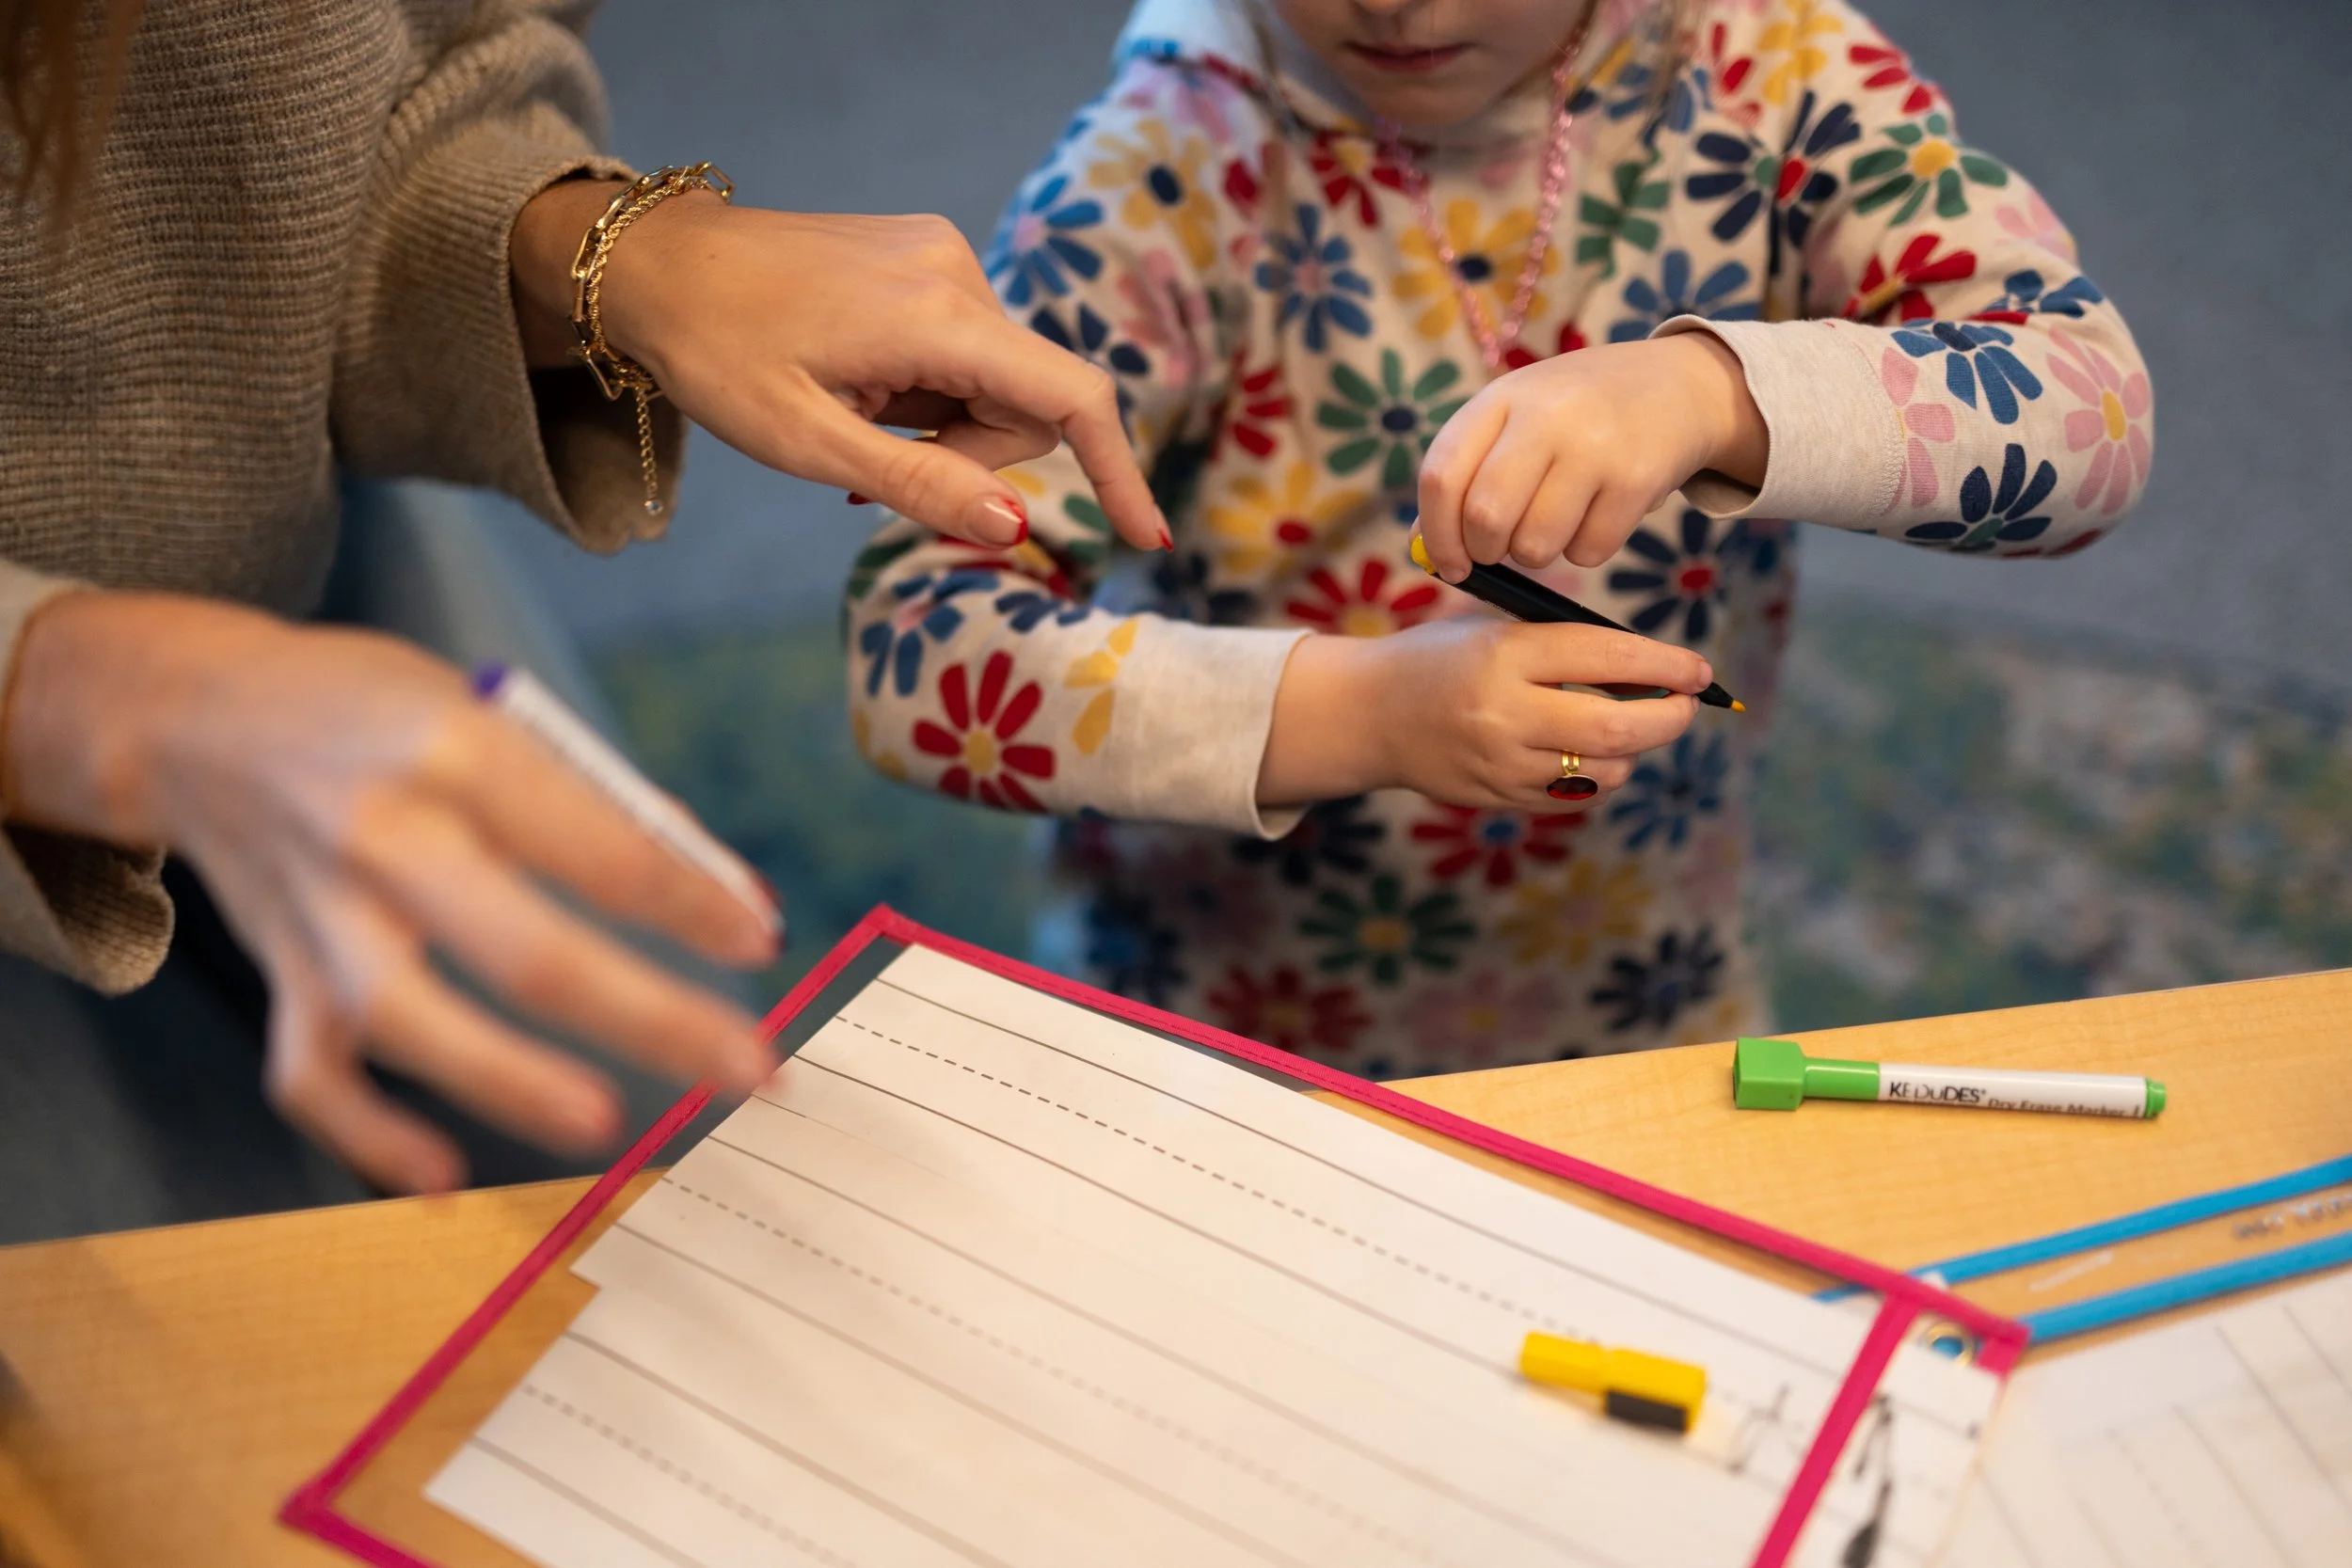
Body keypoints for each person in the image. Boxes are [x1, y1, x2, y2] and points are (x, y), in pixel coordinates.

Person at [843, 0, 2151, 1073]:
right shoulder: (1162, 171)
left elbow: (2090, 416)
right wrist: (1367, 714)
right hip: (1210, 1017)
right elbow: (914, 649)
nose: (1394, 3)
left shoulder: (1771, 74)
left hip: (1645, 978)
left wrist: (1713, 393)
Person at [0, 0, 1171, 1196]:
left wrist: (596, 246)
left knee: (667, 1145)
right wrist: (67, 688)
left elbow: (317, 117)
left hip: (291, 539)